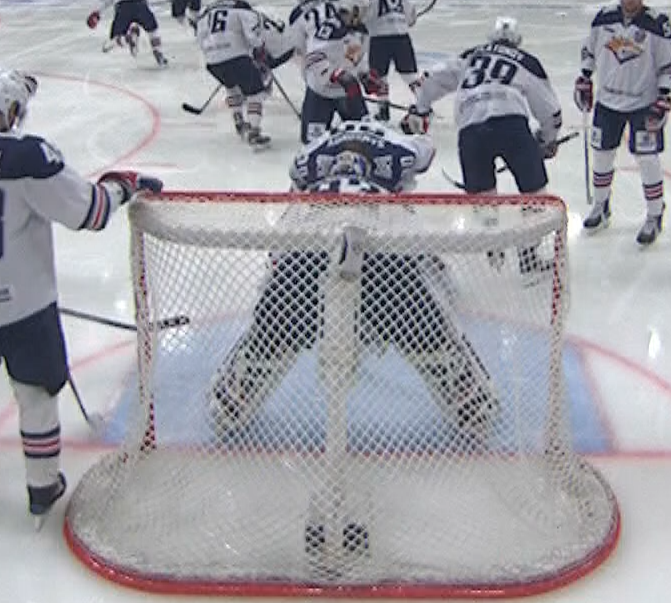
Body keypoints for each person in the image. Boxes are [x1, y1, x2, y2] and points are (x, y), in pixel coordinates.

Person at [0, 68, 161, 521]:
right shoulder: (27, 156)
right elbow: (90, 213)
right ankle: (42, 486)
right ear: (13, 110)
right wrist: (124, 185)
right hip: (22, 306)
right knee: (36, 394)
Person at [207, 120, 497, 450]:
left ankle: (231, 399)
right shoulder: (393, 144)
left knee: (270, 334)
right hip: (386, 259)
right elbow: (426, 150)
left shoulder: (313, 155)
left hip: (305, 257)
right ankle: (472, 403)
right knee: (431, 334)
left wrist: (273, 273)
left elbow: (293, 189)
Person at [405, 16, 562, 278]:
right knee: (534, 191)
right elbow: (550, 110)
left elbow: (431, 78)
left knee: (483, 196)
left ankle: (493, 247)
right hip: (511, 124)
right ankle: (528, 255)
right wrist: (547, 140)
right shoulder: (527, 61)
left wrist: (420, 109)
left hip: (471, 128)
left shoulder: (472, 55)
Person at [576, 0, 671, 245]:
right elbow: (588, 51)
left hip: (642, 104)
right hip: (607, 101)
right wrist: (584, 78)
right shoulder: (603, 18)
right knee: (602, 155)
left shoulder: (657, 24)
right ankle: (601, 205)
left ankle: (655, 214)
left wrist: (663, 95)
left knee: (647, 160)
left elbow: (669, 66)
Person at [197, 0, 277, 149]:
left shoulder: (207, 10)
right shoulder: (241, 7)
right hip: (236, 57)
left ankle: (239, 121)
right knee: (255, 92)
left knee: (231, 86)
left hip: (212, 61)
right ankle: (254, 131)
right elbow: (252, 36)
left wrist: (215, 52)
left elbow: (200, 37)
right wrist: (259, 48)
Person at [300, 0, 379, 144]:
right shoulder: (330, 29)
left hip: (347, 94)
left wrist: (365, 77)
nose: (365, 15)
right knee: (312, 143)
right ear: (353, 9)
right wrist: (335, 74)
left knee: (365, 138)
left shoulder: (362, 32)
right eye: (362, 10)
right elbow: (313, 59)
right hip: (320, 94)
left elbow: (357, 60)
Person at [360, 0, 421, 122]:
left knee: (379, 77)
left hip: (379, 39)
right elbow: (410, 15)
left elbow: (363, 19)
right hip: (401, 37)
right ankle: (424, 104)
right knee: (411, 76)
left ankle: (383, 109)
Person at [89, 0, 168, 66]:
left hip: (123, 8)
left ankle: (126, 38)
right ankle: (158, 52)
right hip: (141, 6)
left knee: (114, 39)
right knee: (153, 30)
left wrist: (97, 13)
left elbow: (106, 0)